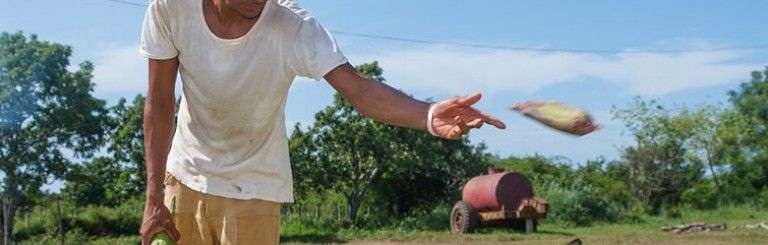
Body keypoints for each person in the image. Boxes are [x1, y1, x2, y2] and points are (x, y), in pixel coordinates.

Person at [139, 0, 506, 244]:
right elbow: (158, 102)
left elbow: (359, 90)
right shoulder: (171, 8)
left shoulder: (293, 27)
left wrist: (426, 114)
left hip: (253, 188)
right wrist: (153, 196)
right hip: (183, 177)